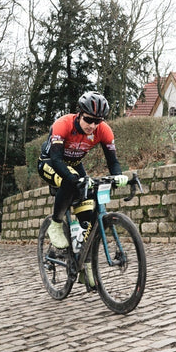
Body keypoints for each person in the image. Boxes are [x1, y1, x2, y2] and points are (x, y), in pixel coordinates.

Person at [37, 91, 129, 251]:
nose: (92, 126)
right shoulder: (63, 124)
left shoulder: (104, 130)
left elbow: (112, 161)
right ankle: (56, 223)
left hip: (75, 164)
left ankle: (83, 264)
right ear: (79, 114)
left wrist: (118, 176)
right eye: (88, 119)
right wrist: (72, 177)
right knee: (70, 182)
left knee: (86, 217)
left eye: (97, 121)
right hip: (50, 162)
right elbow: (57, 159)